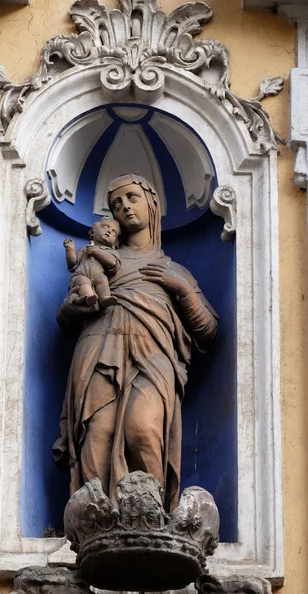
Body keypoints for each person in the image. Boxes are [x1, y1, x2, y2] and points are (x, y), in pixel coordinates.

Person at [53, 174, 218, 511]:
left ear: (152, 204)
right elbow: (65, 315)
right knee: (97, 436)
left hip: (153, 354)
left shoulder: (174, 270)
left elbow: (207, 330)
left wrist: (182, 290)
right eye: (116, 203)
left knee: (142, 430)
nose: (125, 206)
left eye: (132, 197)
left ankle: (151, 518)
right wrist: (74, 306)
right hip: (99, 349)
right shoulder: (100, 258)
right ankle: (96, 521)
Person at [63, 217, 120, 309]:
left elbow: (113, 263)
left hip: (98, 275)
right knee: (83, 282)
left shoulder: (111, 252)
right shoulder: (85, 248)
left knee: (102, 279)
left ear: (115, 241)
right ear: (94, 230)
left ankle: (104, 298)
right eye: (106, 227)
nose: (109, 231)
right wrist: (70, 249)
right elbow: (73, 264)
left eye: (114, 232)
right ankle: (89, 297)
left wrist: (97, 252)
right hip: (80, 275)